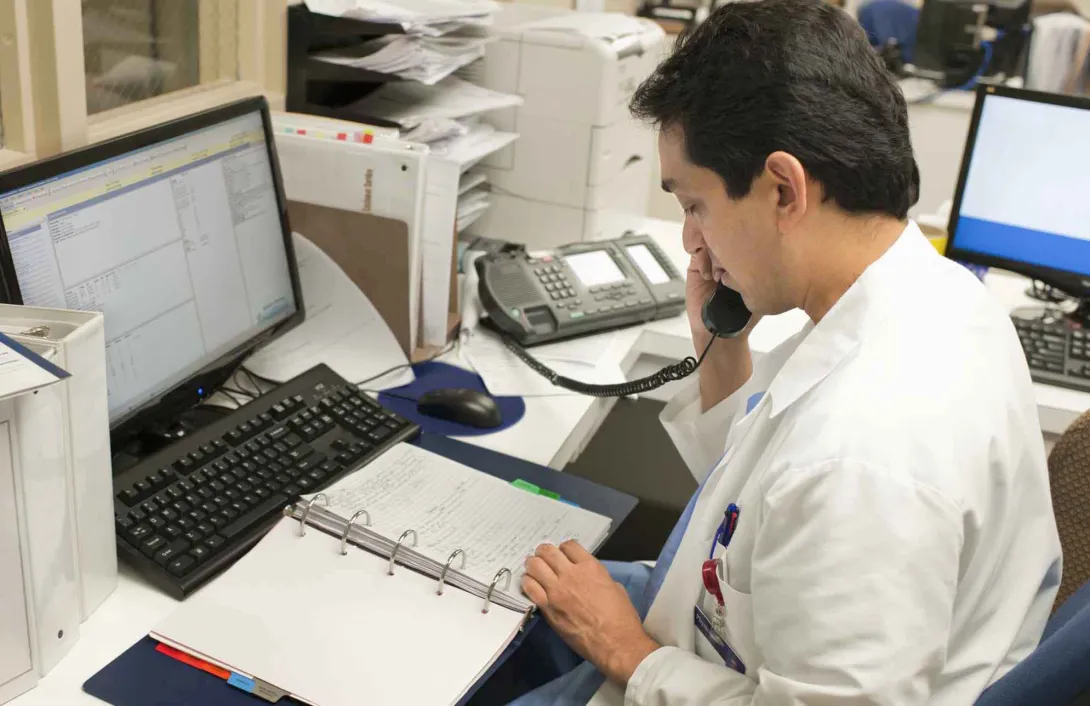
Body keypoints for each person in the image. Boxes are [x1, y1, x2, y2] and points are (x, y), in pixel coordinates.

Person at [503, 0, 1063, 704]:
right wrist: (722, 351)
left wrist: (628, 652)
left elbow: (823, 492)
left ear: (783, 190)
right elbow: (771, 514)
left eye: (695, 204)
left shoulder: (867, 454)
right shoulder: (935, 296)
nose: (691, 241)